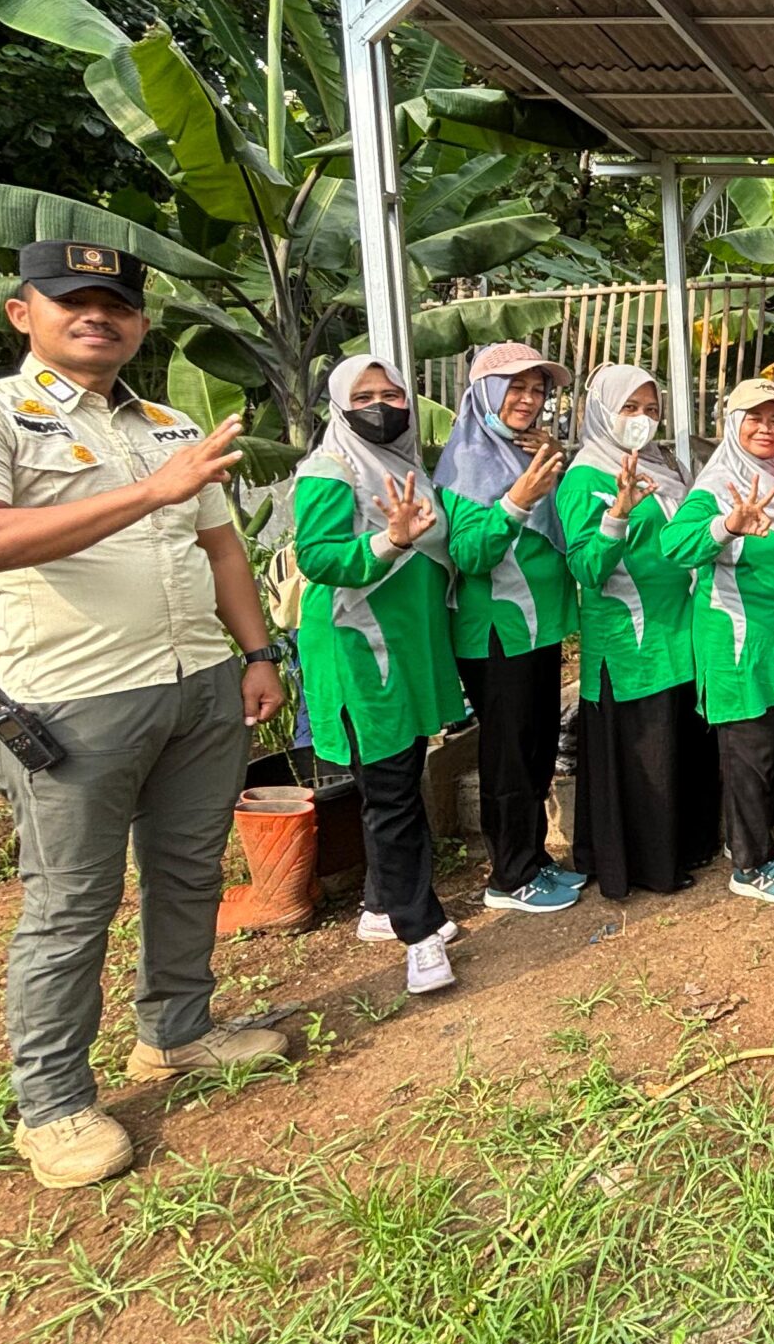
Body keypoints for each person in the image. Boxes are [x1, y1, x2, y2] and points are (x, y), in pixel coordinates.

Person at [0, 242, 291, 1188]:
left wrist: (255, 655)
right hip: (75, 698)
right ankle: (53, 1104)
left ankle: (177, 1032)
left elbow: (222, 551)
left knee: (189, 868)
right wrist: (147, 494)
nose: (97, 316)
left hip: (199, 683)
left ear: (140, 324)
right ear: (19, 313)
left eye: (115, 304)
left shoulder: (169, 427)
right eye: (71, 301)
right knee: (72, 902)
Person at [294, 357, 517, 996]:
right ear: (339, 405)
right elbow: (317, 555)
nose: (382, 404)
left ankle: (378, 906)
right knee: (391, 792)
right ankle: (419, 935)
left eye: (392, 393)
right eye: (364, 395)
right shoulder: (331, 470)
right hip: (364, 652)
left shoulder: (407, 466)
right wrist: (388, 541)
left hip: (410, 649)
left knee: (394, 780)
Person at [558, 365, 719, 901]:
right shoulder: (586, 477)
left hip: (678, 627)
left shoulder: (666, 463)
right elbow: (586, 569)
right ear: (602, 412)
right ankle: (648, 863)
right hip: (630, 637)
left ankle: (687, 845)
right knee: (644, 755)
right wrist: (617, 517)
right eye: (629, 408)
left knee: (679, 745)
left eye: (651, 409)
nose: (642, 420)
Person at [666, 380, 774, 904]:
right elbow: (675, 545)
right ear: (733, 427)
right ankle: (751, 865)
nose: (766, 428)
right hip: (739, 642)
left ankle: (760, 845)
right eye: (753, 419)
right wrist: (728, 524)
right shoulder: (720, 484)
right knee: (747, 757)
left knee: (773, 749)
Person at [435, 343, 579, 916]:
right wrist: (516, 503)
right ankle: (509, 875)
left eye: (538, 389)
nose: (529, 399)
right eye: (516, 388)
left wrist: (552, 467)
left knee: (538, 748)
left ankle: (534, 856)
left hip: (535, 629)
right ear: (486, 394)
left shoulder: (523, 452)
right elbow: (469, 553)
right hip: (497, 633)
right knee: (510, 756)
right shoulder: (470, 462)